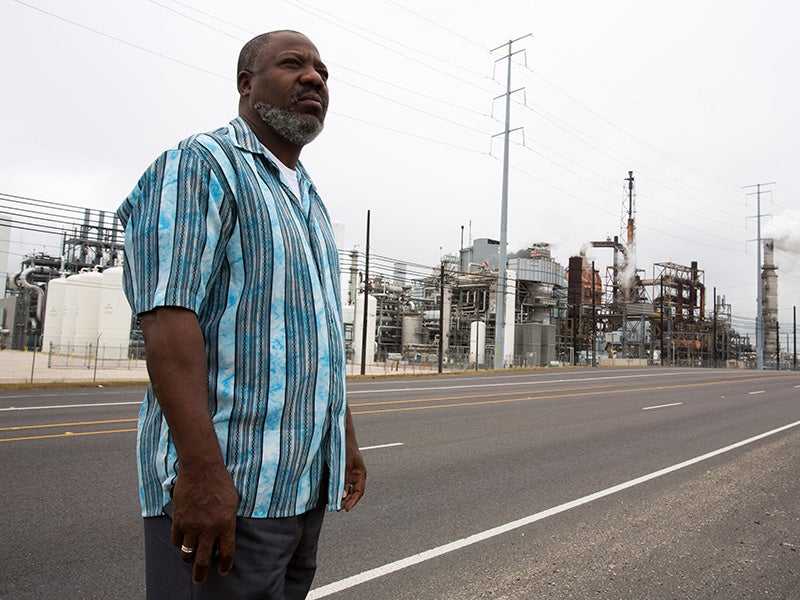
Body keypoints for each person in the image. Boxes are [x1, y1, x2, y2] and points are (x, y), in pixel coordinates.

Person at [117, 30, 366, 599]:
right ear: (245, 84)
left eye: (323, 72)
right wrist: (202, 476)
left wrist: (345, 444)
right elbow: (167, 321)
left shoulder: (306, 197)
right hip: (229, 496)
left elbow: (320, 337)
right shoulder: (200, 164)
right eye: (293, 64)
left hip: (299, 493)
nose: (314, 78)